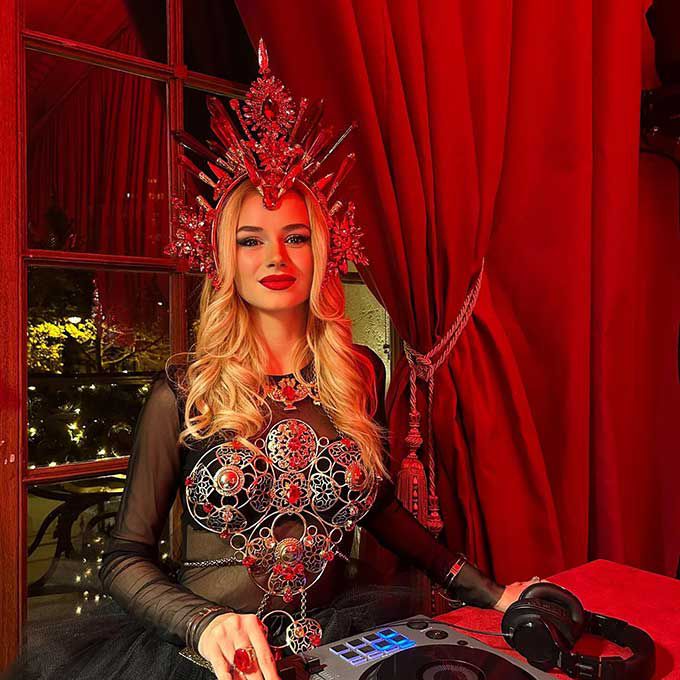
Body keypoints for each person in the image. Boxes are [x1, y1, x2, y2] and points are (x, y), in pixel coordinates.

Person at [7, 41, 538, 680]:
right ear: (225, 260)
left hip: (336, 644)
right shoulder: (185, 392)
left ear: (323, 252)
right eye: (251, 240)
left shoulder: (357, 375)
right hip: (207, 658)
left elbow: (380, 511)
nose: (276, 258)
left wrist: (490, 592)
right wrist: (203, 625)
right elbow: (125, 558)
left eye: (296, 237)